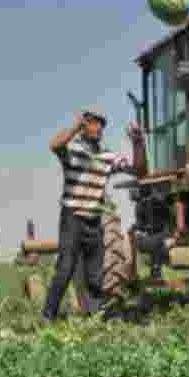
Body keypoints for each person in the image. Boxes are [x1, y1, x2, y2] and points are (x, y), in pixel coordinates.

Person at [43, 110, 146, 321]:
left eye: (101, 124)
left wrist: (137, 143)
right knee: (65, 269)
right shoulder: (73, 151)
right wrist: (74, 127)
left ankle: (97, 317)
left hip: (93, 221)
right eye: (93, 123)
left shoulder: (107, 157)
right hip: (72, 218)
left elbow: (138, 170)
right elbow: (54, 145)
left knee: (95, 275)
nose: (98, 127)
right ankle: (48, 315)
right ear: (83, 125)